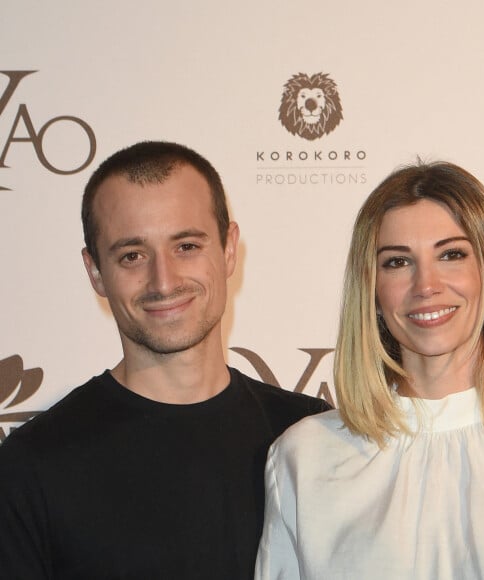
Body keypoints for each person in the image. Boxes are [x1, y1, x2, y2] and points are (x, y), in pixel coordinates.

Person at [0, 141, 330, 580]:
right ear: (95, 271)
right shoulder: (30, 467)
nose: (164, 280)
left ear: (229, 249)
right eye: (132, 255)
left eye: (187, 246)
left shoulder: (310, 437)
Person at [255, 161, 484, 579]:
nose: (426, 285)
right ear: (371, 290)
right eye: (397, 262)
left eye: (451, 255)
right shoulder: (304, 458)